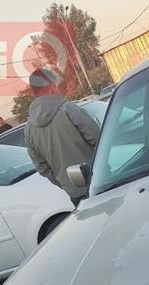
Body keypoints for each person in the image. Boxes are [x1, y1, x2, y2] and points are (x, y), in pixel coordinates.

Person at [24, 68, 100, 206]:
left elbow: (42, 168)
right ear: (52, 86)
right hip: (101, 181)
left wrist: (65, 182)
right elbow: (100, 140)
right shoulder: (68, 110)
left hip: (75, 193)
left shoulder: (29, 129)